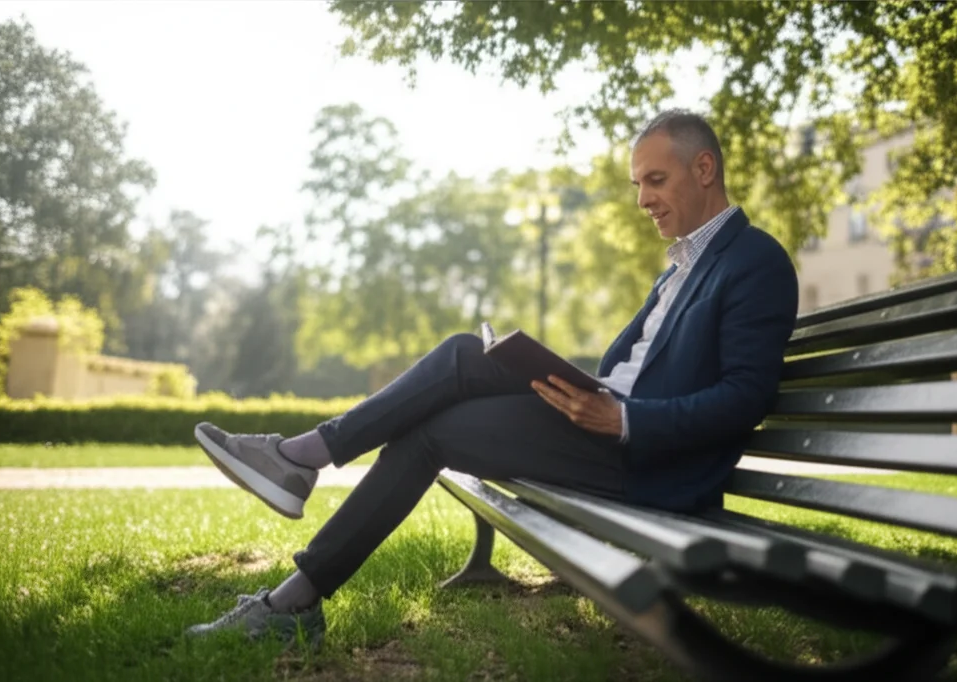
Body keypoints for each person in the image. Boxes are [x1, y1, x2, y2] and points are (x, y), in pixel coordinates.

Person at [184, 109, 799, 644]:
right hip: (608, 424)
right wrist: (575, 385)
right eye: (638, 183)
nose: (642, 199)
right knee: (463, 354)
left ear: (705, 169)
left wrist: (624, 418)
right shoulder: (680, 267)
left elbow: (744, 399)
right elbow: (641, 371)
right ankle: (303, 477)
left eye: (655, 180)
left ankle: (297, 537)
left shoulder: (754, 262)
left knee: (434, 429)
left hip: (647, 460)